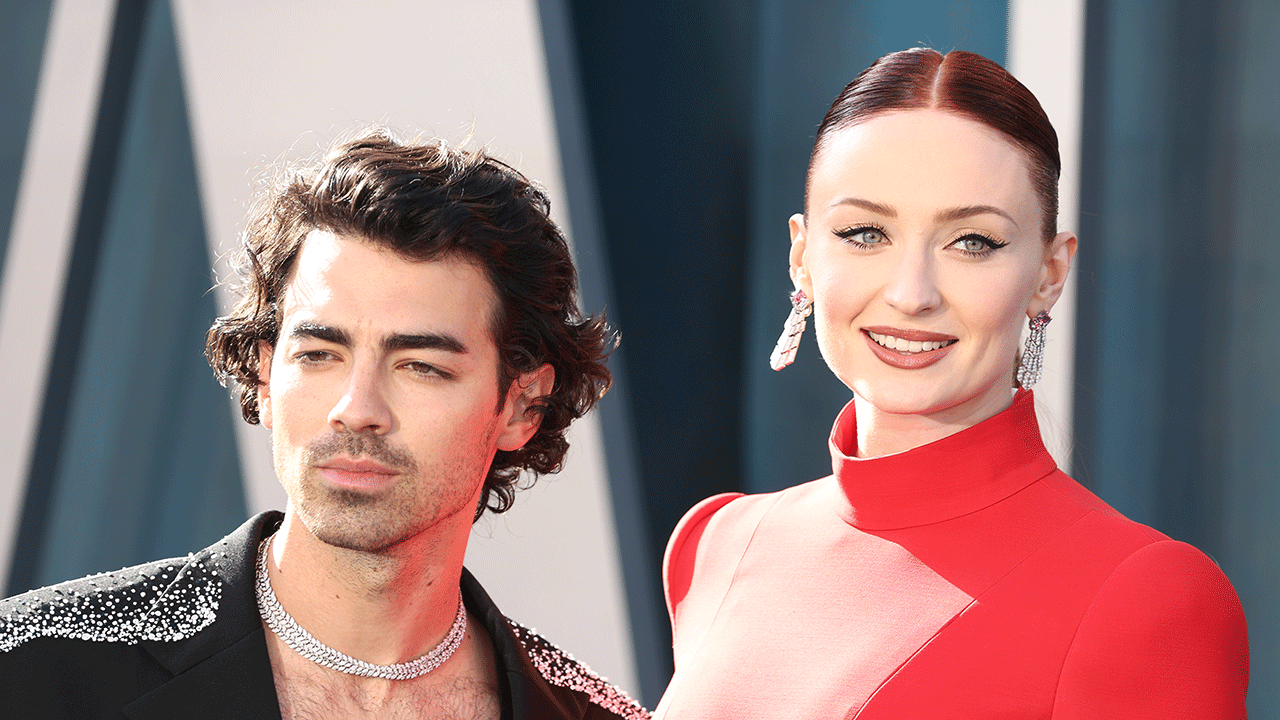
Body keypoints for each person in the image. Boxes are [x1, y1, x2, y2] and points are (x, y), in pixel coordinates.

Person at [655, 49, 1249, 718]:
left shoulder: (1147, 597)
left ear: (1050, 273)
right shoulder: (717, 543)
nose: (912, 295)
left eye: (972, 241)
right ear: (803, 257)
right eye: (864, 232)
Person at [0, 129, 649, 720]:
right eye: (319, 355)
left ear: (521, 405)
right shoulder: (30, 670)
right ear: (263, 374)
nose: (356, 407)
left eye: (420, 365)